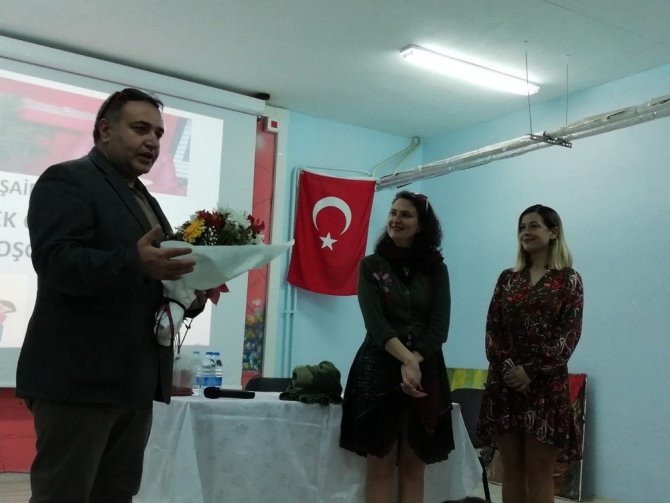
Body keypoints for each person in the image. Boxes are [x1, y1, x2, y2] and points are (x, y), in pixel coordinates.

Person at [16, 88, 203, 503]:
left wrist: (189, 289)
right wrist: (136, 263)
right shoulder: (67, 179)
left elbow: (151, 276)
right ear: (104, 130)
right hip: (78, 380)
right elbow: (56, 260)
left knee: (116, 495)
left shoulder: (143, 197)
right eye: (140, 129)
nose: (153, 141)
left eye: (158, 133)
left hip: (133, 381)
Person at [340, 191, 454, 503]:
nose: (396, 219)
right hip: (379, 368)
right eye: (393, 213)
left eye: (405, 214)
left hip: (426, 367)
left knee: (414, 466)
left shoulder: (437, 269)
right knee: (380, 464)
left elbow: (439, 326)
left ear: (421, 224)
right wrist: (408, 360)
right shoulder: (370, 266)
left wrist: (416, 360)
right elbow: (375, 324)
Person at [477, 204, 584, 503]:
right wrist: (511, 369)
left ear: (553, 232)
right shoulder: (507, 278)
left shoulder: (569, 280)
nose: (526, 232)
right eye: (522, 227)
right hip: (505, 385)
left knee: (539, 470)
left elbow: (569, 334)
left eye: (534, 225)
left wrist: (531, 370)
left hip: (545, 387)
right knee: (512, 469)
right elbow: (493, 328)